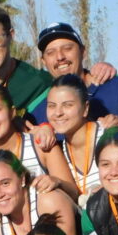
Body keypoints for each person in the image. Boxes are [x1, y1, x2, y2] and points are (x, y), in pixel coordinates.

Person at [0, 82, 78, 230]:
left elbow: (73, 192)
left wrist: (57, 182)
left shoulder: (40, 145)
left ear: (12, 112)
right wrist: (8, 202)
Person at [28, 22, 118, 129]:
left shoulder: (117, 87)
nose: (60, 57)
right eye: (51, 53)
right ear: (43, 61)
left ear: (83, 52)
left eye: (67, 48)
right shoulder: (36, 111)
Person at [45, 74, 106, 203]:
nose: (58, 113)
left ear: (85, 108)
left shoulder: (107, 136)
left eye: (67, 105)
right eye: (51, 106)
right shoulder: (57, 150)